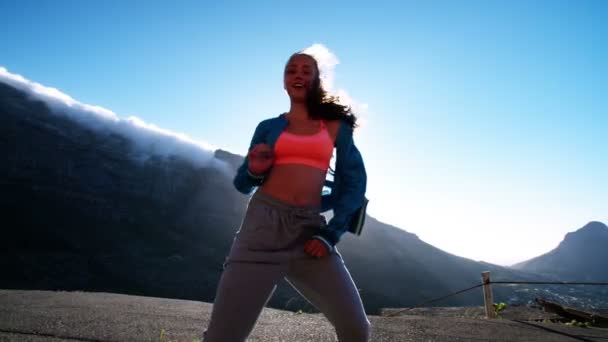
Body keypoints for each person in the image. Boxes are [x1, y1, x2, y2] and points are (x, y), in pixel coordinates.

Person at [203, 52, 370, 342]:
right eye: (291, 70)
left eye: (306, 70)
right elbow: (244, 183)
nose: (298, 75)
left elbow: (355, 183)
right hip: (261, 230)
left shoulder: (336, 126)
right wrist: (255, 169)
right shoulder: (268, 127)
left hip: (310, 233)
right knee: (222, 338)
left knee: (357, 329)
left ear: (317, 79)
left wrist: (330, 235)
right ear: (284, 81)